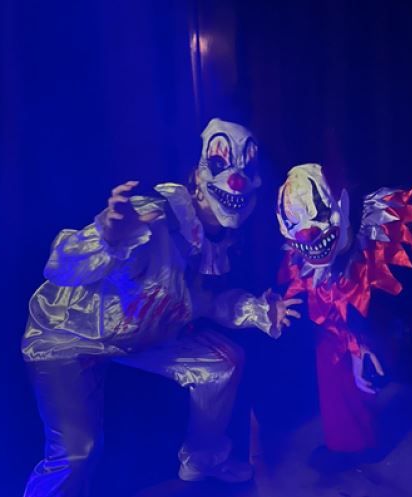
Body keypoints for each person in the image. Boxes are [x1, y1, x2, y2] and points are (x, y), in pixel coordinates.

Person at [22, 118, 301, 496]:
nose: (236, 180)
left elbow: (203, 302)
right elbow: (59, 266)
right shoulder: (154, 215)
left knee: (222, 364)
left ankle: (203, 458)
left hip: (139, 333)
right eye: (220, 164)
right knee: (76, 454)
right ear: (198, 176)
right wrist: (106, 236)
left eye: (246, 171)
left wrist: (260, 311)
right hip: (66, 335)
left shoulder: (211, 244)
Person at [276, 163, 412, 478]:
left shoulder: (393, 217)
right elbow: (330, 314)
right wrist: (356, 348)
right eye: (295, 226)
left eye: (315, 217)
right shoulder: (304, 257)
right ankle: (351, 444)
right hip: (380, 324)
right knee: (330, 347)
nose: (306, 232)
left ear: (340, 205)